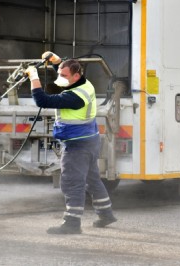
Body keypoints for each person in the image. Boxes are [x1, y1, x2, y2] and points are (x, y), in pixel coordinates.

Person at [26, 51, 117, 234]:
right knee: (92, 179)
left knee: (71, 182)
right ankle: (106, 214)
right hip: (89, 140)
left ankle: (72, 223)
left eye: (63, 75)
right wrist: (56, 61)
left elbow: (42, 100)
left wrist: (33, 77)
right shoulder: (84, 83)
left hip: (77, 145)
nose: (60, 77)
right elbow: (65, 74)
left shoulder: (75, 97)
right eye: (60, 73)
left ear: (76, 76)